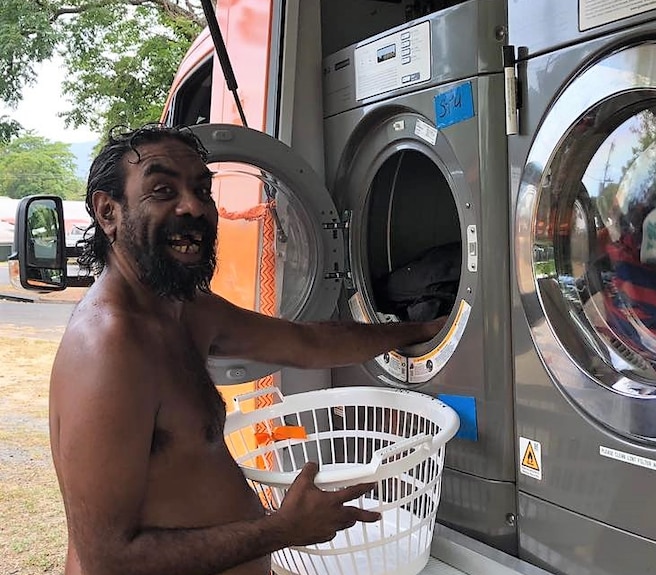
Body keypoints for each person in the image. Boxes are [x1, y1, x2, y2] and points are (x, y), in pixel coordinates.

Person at [52, 124, 445, 575]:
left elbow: (308, 343)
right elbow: (108, 558)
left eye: (202, 189)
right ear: (108, 213)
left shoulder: (185, 310)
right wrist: (282, 529)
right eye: (162, 190)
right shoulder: (110, 348)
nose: (193, 207)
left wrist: (422, 330)